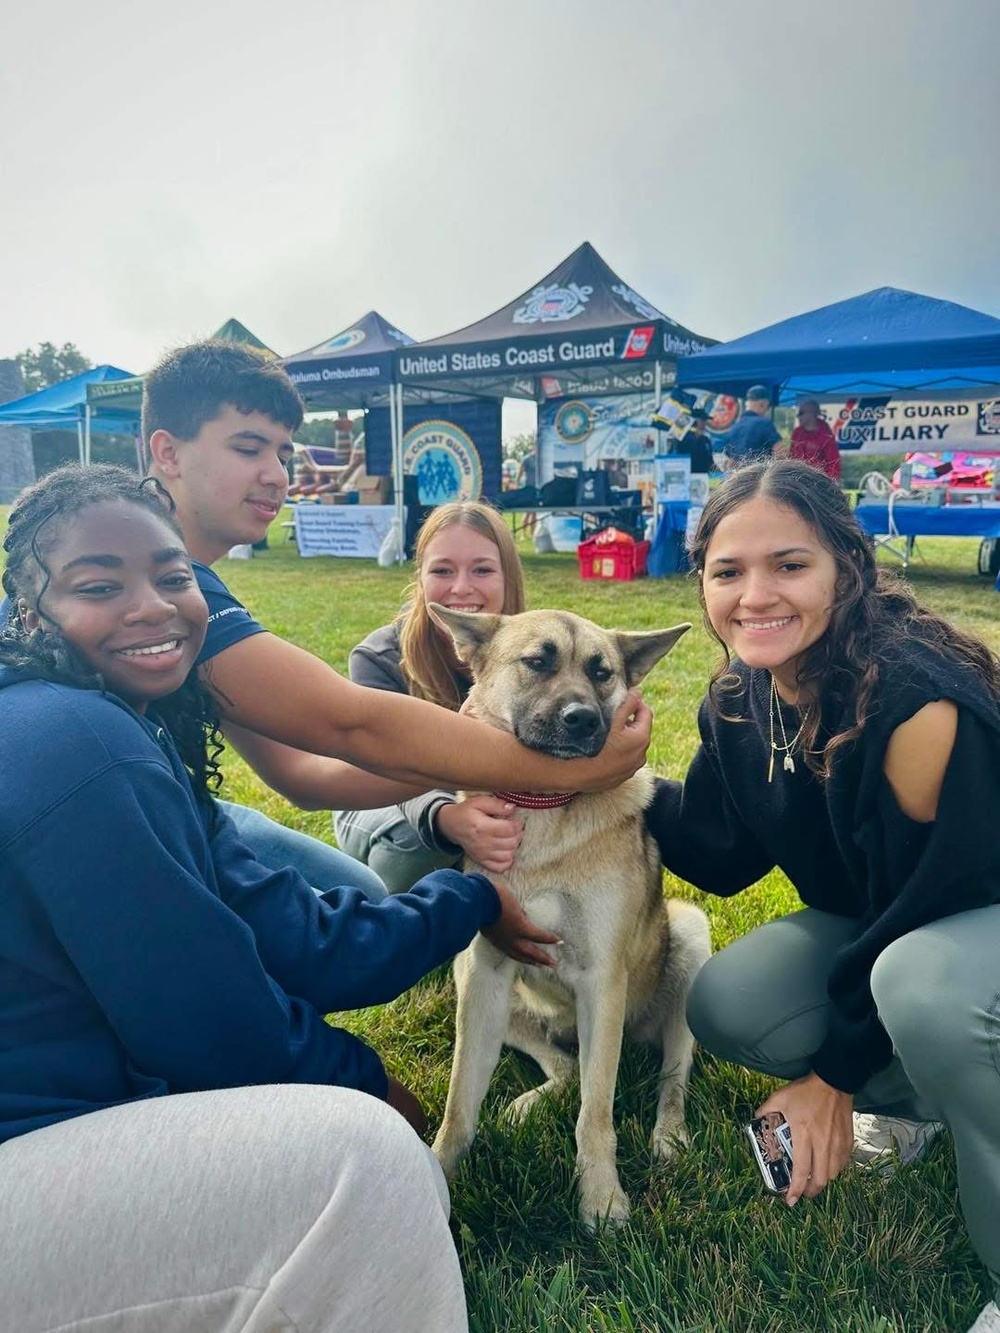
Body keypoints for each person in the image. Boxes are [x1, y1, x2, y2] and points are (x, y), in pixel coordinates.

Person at [0, 464, 562, 1333]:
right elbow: (213, 1029)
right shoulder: (77, 742)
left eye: (172, 575)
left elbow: (299, 936)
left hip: (57, 1117)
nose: (152, 606)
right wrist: (366, 1083)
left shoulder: (126, 726)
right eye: (98, 585)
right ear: (29, 609)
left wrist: (471, 899)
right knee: (366, 1165)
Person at [644, 459, 1000, 1333]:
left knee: (925, 986)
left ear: (848, 564)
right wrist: (621, 783)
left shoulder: (912, 700)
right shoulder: (738, 695)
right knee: (729, 997)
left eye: (789, 564)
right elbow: (720, 856)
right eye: (727, 571)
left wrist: (833, 1077)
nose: (754, 594)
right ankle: (924, 1108)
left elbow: (930, 903)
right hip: (900, 925)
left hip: (966, 917)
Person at [134, 341, 651, 888]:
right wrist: (580, 768)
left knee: (360, 896)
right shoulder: (147, 576)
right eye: (247, 449)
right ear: (167, 453)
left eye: (283, 455)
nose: (276, 475)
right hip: (115, 826)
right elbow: (353, 726)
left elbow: (303, 774)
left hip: (161, 806)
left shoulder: (176, 571)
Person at [335, 502, 526, 892]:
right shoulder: (379, 658)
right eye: (442, 570)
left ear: (509, 578)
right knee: (418, 849)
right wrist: (445, 816)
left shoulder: (536, 653)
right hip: (384, 798)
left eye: (482, 570)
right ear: (420, 577)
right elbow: (389, 767)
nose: (460, 588)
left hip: (490, 794)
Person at [721, 384, 781, 469]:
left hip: (740, 478)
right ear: (763, 404)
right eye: (768, 407)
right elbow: (779, 452)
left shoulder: (734, 427)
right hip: (759, 477)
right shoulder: (764, 423)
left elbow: (729, 463)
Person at [789, 398, 841, 481]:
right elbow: (791, 457)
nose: (798, 416)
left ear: (812, 413)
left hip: (818, 481)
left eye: (801, 413)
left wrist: (829, 483)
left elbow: (833, 463)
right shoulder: (797, 433)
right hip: (799, 479)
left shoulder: (826, 435)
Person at [673, 409, 715, 474]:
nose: (705, 423)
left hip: (703, 477)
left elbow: (710, 461)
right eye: (703, 420)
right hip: (687, 475)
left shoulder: (705, 440)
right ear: (694, 421)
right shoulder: (682, 440)